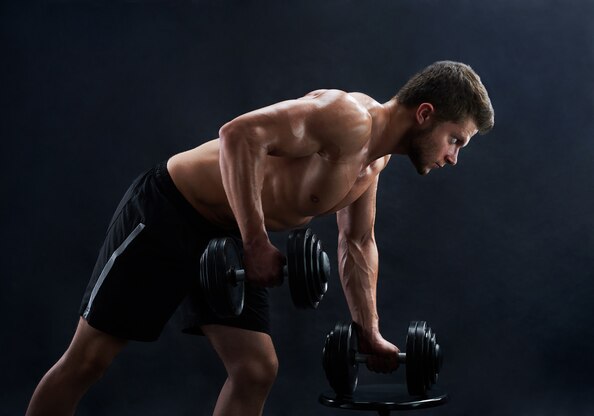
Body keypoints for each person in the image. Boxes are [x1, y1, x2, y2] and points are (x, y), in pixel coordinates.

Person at [26, 60, 494, 416]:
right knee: (87, 361)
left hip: (228, 237)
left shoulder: (375, 164)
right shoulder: (347, 118)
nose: (453, 157)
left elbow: (357, 243)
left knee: (255, 369)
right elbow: (239, 136)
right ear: (425, 114)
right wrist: (254, 242)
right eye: (456, 140)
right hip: (169, 212)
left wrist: (368, 332)